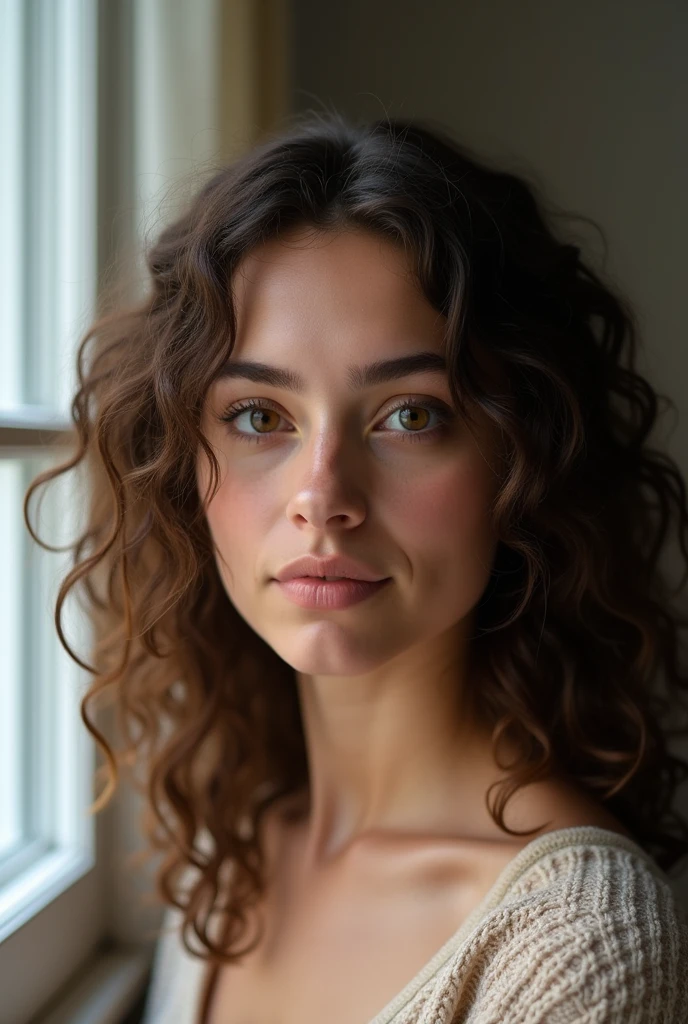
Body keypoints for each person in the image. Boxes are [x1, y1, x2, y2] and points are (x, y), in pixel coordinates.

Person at [25, 110, 688, 1023]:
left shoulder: (578, 943)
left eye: (409, 415)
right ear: (184, 464)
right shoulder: (234, 854)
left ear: (521, 458)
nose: (323, 494)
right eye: (260, 416)